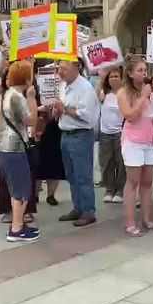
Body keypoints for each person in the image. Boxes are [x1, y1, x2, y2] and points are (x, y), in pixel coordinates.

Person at [0, 60, 39, 242]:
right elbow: (31, 120)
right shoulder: (17, 96)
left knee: (16, 187)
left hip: (3, 147)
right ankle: (17, 228)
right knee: (22, 187)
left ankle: (17, 224)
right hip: (13, 148)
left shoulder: (7, 94)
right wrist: (32, 99)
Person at [117, 58, 153, 237]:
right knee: (133, 181)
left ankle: (146, 218)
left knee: (147, 181)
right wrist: (143, 96)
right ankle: (129, 222)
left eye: (145, 69)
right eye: (140, 70)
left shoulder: (152, 90)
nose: (144, 73)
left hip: (152, 140)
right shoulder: (123, 93)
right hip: (133, 141)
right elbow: (130, 115)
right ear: (130, 73)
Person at [53, 59, 100, 227]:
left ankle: (88, 210)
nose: (60, 72)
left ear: (76, 68)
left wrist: (64, 108)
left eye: (64, 69)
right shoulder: (63, 86)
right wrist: (56, 110)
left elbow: (86, 115)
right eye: (59, 68)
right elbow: (61, 110)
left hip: (80, 135)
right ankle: (77, 207)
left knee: (83, 175)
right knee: (71, 175)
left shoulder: (85, 88)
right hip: (65, 134)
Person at [33, 60, 65, 206]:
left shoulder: (63, 84)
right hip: (39, 125)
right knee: (38, 162)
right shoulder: (33, 86)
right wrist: (40, 108)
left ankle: (51, 195)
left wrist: (56, 108)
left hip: (56, 127)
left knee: (55, 161)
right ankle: (34, 194)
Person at [97, 67, 126, 203]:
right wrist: (101, 78)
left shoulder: (125, 93)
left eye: (116, 76)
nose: (113, 79)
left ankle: (120, 189)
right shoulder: (105, 93)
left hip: (121, 133)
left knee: (120, 162)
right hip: (105, 133)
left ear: (121, 78)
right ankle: (109, 188)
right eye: (111, 77)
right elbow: (95, 96)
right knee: (106, 162)